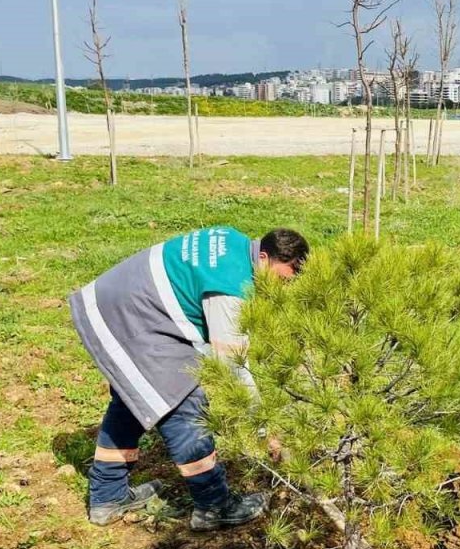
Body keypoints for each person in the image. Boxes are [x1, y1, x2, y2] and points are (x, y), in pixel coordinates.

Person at [69, 226, 309, 530]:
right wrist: (265, 430)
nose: (280, 289)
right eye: (281, 279)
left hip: (111, 303)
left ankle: (107, 497)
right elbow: (231, 365)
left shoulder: (235, 242)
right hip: (134, 317)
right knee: (183, 400)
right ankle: (214, 505)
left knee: (133, 399)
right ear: (263, 257)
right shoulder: (229, 286)